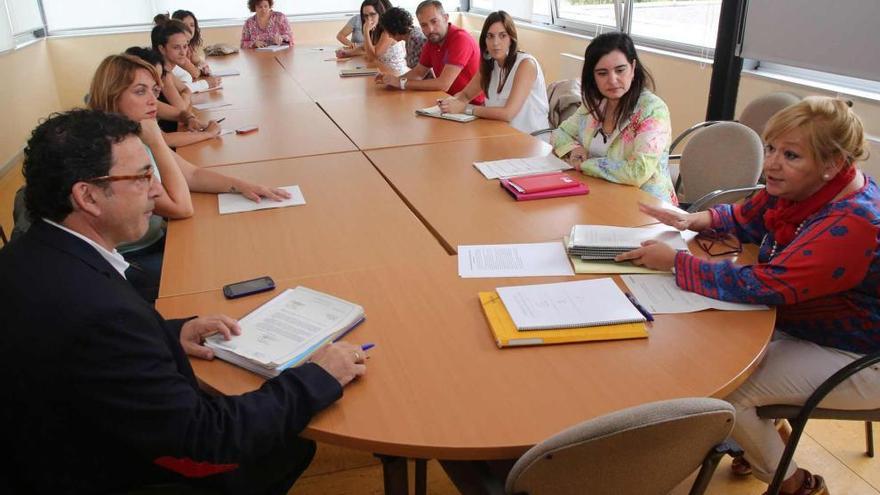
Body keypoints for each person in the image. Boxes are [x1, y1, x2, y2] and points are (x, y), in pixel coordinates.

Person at [0, 108, 368, 494]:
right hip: (104, 470)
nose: (157, 190)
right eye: (143, 177)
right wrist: (317, 377)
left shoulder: (32, 253)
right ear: (87, 196)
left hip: (46, 443)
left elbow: (85, 351)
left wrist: (170, 333)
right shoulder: (101, 313)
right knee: (289, 445)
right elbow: (209, 437)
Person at [615, 96, 880, 495]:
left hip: (860, 353)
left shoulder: (855, 221)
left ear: (831, 164)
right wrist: (696, 219)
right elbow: (747, 216)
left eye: (790, 155)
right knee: (707, 348)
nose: (771, 163)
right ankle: (759, 440)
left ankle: (794, 483)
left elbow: (767, 285)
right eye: (771, 147)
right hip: (810, 324)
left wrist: (676, 262)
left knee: (727, 392)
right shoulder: (806, 186)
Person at [551, 32, 675, 203]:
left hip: (646, 206)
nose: (613, 80)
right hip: (597, 196)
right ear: (593, 77)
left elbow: (638, 172)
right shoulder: (595, 103)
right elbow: (559, 133)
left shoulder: (653, 110)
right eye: (602, 73)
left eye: (620, 70)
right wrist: (573, 149)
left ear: (632, 68)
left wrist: (586, 164)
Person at [438, 11, 549, 134]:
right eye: (490, 36)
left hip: (530, 140)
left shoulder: (526, 64)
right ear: (484, 41)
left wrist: (465, 108)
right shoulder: (489, 64)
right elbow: (465, 95)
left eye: (502, 36)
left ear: (511, 39)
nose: (495, 43)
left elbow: (508, 113)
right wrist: (448, 103)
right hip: (500, 134)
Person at [377, 0, 484, 104]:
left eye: (434, 21)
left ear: (446, 18)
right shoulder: (432, 41)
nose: (430, 29)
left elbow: (443, 84)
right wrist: (391, 81)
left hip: (472, 106)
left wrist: (401, 83)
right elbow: (418, 73)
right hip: (447, 101)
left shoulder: (460, 39)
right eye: (424, 25)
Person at [125, 46, 218, 145]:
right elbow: (165, 140)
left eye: (160, 77)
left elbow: (178, 113)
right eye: (154, 79)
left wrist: (190, 119)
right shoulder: (135, 108)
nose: (161, 85)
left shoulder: (149, 101)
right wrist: (208, 134)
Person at [153, 14, 220, 95]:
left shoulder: (172, 63)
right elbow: (178, 92)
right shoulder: (160, 67)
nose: (183, 52)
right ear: (162, 49)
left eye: (186, 44)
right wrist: (205, 84)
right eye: (176, 47)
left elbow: (185, 80)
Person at [172, 9, 211, 78]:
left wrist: (200, 64)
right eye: (184, 25)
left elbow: (203, 66)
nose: (189, 29)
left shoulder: (189, 47)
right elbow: (195, 73)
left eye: (192, 25)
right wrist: (199, 68)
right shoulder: (176, 49)